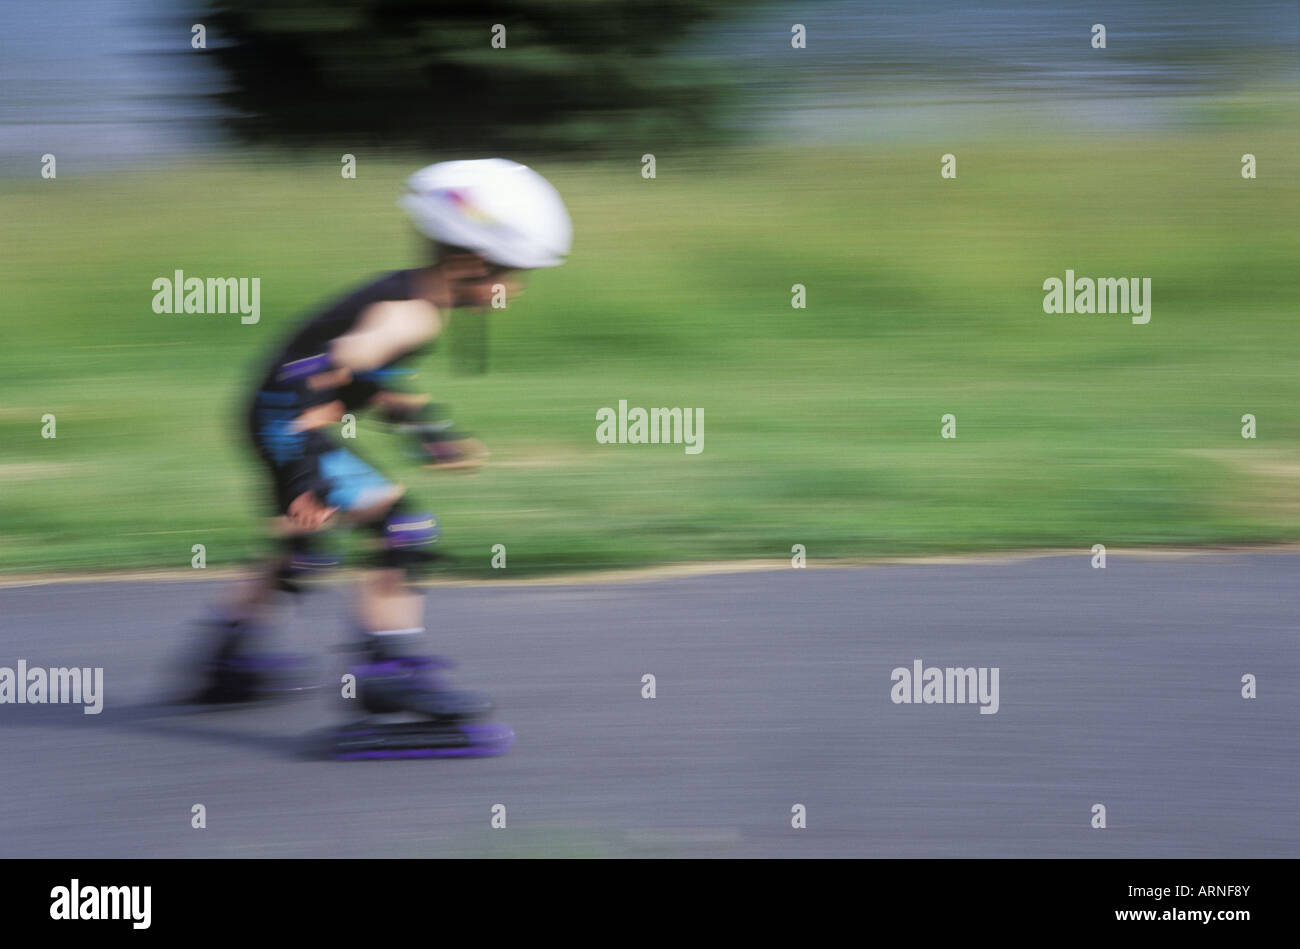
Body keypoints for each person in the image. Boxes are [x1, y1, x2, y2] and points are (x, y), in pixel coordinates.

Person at [186, 158, 572, 726]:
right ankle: (387, 677)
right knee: (403, 529)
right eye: (511, 273)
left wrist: (428, 433)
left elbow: (373, 377)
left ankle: (226, 660)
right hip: (290, 424)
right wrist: (305, 475)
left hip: (271, 414)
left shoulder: (412, 296)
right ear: (469, 261)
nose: (514, 289)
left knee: (303, 550)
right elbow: (327, 371)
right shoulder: (411, 314)